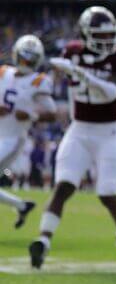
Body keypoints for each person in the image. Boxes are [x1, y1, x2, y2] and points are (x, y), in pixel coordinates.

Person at [32, 7, 116, 269]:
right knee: (63, 186)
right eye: (100, 36)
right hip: (79, 129)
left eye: (111, 35)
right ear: (86, 35)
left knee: (107, 193)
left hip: (108, 132)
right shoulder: (73, 52)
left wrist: (80, 74)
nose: (107, 41)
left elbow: (112, 92)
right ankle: (43, 240)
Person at [0, 35, 56, 227]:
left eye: (29, 59)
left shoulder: (38, 81)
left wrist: (31, 115)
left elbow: (52, 113)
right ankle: (22, 206)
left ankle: (21, 205)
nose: (25, 63)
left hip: (13, 138)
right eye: (23, 58)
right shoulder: (3, 73)